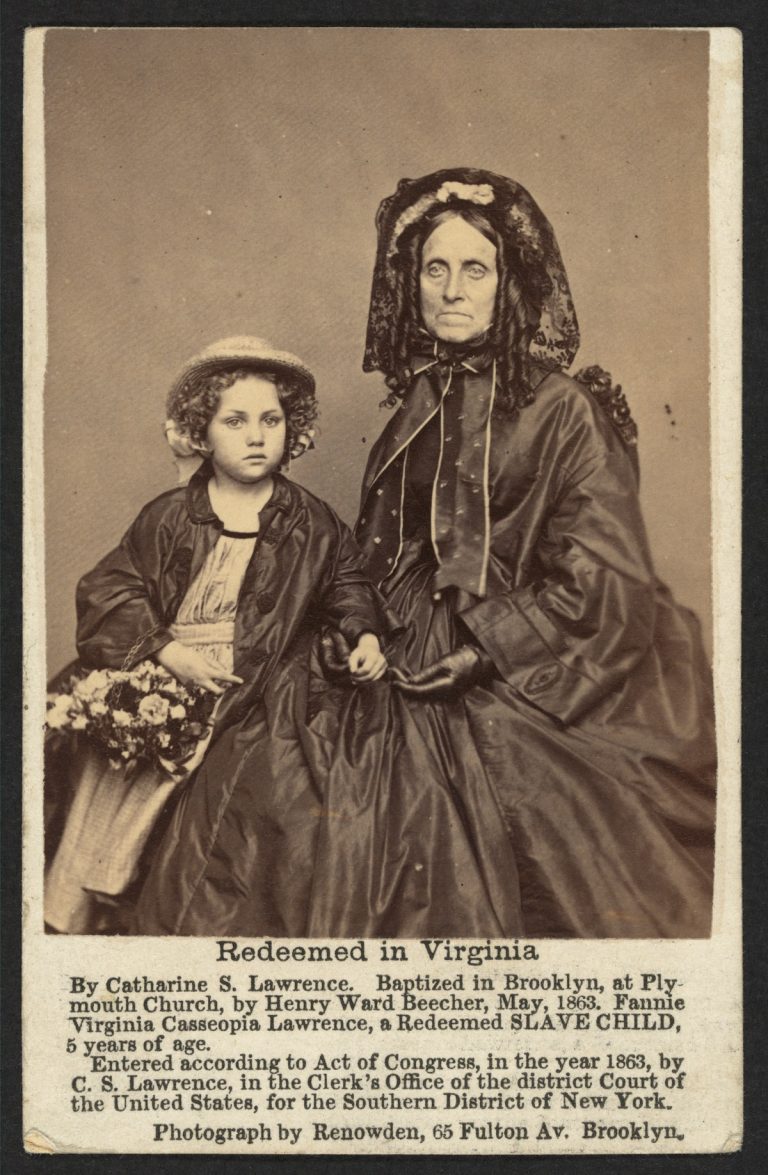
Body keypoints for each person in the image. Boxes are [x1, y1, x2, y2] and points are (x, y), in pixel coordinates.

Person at [342, 167, 716, 938]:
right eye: (434, 269)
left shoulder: (564, 408)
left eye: (474, 269)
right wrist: (354, 625)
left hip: (530, 646)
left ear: (508, 284)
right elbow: (373, 551)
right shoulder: (419, 399)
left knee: (506, 777)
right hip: (409, 626)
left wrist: (485, 653)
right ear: (410, 282)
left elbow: (605, 578)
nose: (452, 290)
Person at [46, 337, 393, 934]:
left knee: (229, 791)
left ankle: (158, 908)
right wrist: (167, 652)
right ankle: (82, 912)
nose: (256, 436)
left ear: (292, 428)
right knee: (113, 776)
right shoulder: (170, 515)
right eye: (235, 421)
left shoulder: (311, 522)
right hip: (164, 664)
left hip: (253, 676)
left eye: (271, 420)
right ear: (201, 432)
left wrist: (364, 636)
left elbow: (348, 584)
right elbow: (111, 589)